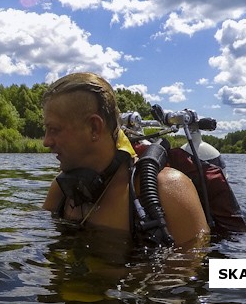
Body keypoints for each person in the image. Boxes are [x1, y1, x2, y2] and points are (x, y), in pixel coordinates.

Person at [41, 72, 209, 246]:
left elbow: (190, 271)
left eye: (54, 129)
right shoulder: (61, 191)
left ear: (94, 128)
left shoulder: (170, 193)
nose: (46, 142)